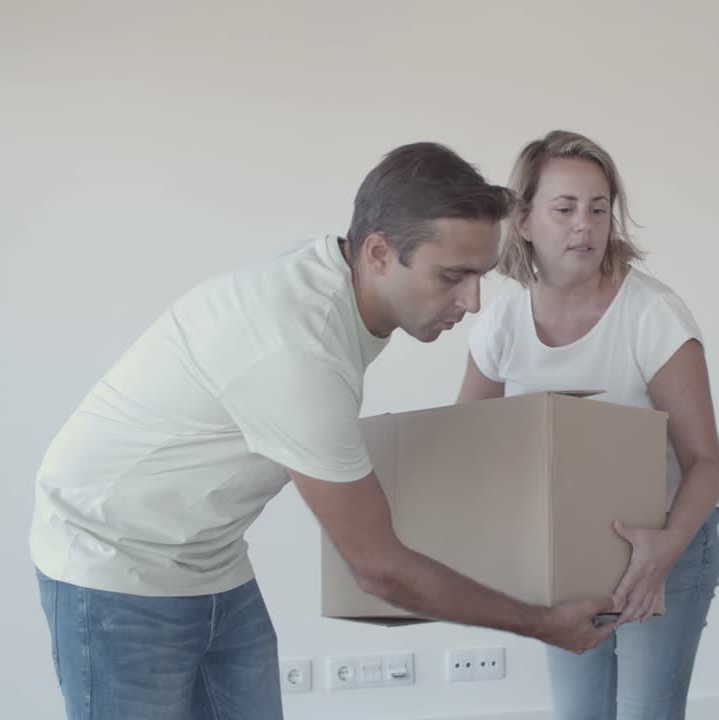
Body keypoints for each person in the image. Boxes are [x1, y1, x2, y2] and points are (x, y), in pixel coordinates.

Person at [31, 142, 615, 720]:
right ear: (380, 252)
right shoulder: (298, 349)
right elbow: (378, 567)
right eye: (453, 276)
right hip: (113, 561)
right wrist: (541, 623)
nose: (473, 300)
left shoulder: (338, 274)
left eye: (479, 275)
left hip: (209, 559)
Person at [457, 130, 719, 719]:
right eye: (565, 208)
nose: (585, 223)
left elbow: (706, 464)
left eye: (599, 209)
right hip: (574, 547)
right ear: (524, 220)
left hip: (673, 534)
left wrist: (661, 553)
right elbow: (467, 447)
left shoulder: (651, 314)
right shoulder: (502, 318)